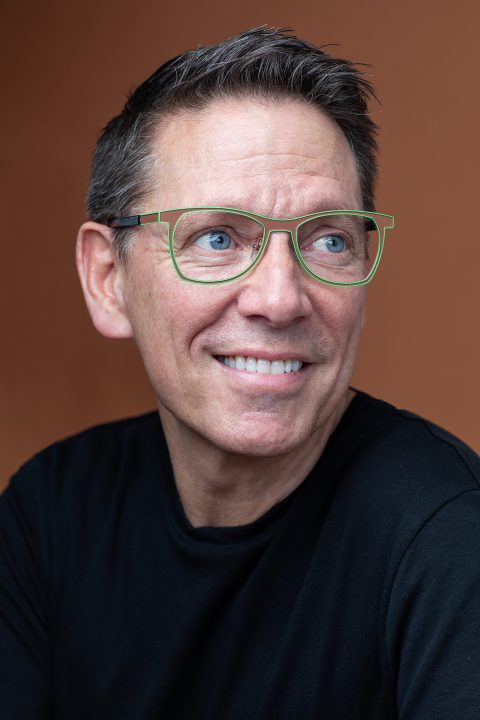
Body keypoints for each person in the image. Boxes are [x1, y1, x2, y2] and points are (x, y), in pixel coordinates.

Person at [1, 26, 479, 720]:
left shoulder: (449, 542)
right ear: (109, 280)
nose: (280, 298)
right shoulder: (51, 513)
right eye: (217, 238)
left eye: (328, 239)